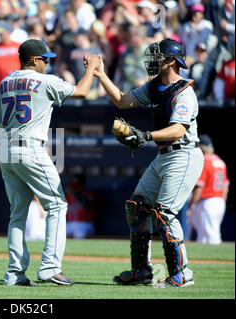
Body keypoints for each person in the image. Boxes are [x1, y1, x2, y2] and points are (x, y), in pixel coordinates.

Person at [89, 38, 204, 287]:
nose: (153, 60)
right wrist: (100, 75)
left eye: (159, 56)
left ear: (172, 61)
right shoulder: (154, 87)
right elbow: (122, 100)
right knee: (137, 207)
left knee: (164, 214)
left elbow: (177, 130)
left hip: (183, 154)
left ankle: (182, 273)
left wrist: (145, 136)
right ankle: (142, 272)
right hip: (163, 155)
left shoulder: (184, 91)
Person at [0, 38, 102, 286]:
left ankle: (14, 274)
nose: (47, 63)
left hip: (4, 150)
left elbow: (0, 121)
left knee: (17, 214)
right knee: (57, 206)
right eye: (45, 59)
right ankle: (50, 268)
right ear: (33, 60)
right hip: (30, 148)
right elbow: (83, 92)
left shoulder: (3, 83)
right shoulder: (45, 80)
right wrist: (90, 70)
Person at [187, 135, 230, 245]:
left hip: (207, 201)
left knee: (211, 235)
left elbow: (199, 188)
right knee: (204, 236)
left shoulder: (204, 162)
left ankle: (218, 259)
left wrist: (190, 205)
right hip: (219, 201)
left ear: (200, 147)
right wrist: (221, 202)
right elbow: (226, 186)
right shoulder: (220, 161)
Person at [65, 175, 96, 239]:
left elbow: (87, 205)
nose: (73, 189)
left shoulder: (88, 193)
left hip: (85, 224)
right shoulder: (67, 196)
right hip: (69, 223)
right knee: (58, 233)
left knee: (79, 234)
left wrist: (75, 194)